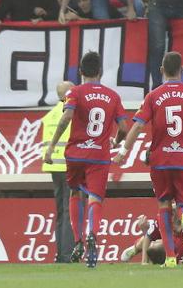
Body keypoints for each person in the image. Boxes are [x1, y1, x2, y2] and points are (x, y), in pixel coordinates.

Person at [112, 51, 183, 268]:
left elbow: (139, 125)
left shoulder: (153, 96)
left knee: (163, 207)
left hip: (161, 161)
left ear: (161, 71)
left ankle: (170, 257)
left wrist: (124, 150)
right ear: (182, 70)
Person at [44, 51, 128, 268]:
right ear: (100, 72)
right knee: (95, 198)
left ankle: (79, 239)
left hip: (75, 154)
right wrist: (116, 141)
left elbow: (67, 117)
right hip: (99, 156)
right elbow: (124, 128)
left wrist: (52, 145)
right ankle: (93, 233)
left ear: (80, 72)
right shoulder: (113, 96)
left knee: (75, 192)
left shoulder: (75, 92)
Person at [41, 81, 75, 263]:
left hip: (54, 168)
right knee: (70, 211)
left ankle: (61, 253)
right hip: (69, 167)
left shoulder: (51, 114)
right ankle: (67, 255)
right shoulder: (71, 112)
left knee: (60, 212)